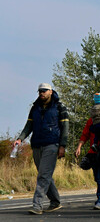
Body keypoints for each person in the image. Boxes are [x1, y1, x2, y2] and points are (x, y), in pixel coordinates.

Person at [13, 83, 69, 215]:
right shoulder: (35, 108)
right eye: (39, 91)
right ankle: (55, 201)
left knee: (43, 175)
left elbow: (65, 128)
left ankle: (37, 205)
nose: (41, 93)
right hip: (37, 144)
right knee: (45, 175)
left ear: (50, 91)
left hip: (52, 144)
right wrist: (20, 139)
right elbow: (29, 125)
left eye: (44, 91)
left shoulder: (60, 107)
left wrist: (63, 145)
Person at [75, 116, 100, 210]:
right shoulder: (91, 121)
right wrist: (79, 146)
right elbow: (85, 134)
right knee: (97, 178)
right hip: (94, 153)